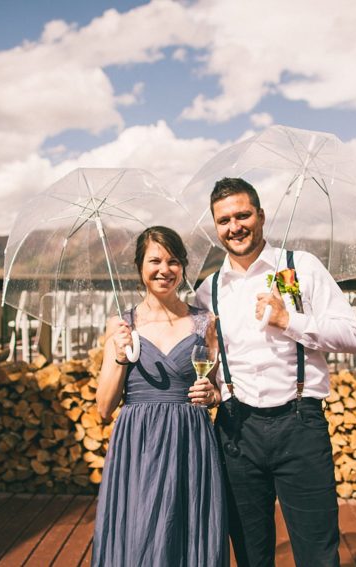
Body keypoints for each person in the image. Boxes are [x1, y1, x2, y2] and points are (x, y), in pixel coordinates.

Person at [194, 178, 356, 567]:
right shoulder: (209, 290)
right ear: (216, 227)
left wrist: (290, 320)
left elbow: (354, 337)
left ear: (261, 216)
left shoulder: (301, 267)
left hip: (300, 423)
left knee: (317, 554)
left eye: (242, 215)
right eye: (224, 220)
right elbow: (204, 358)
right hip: (237, 429)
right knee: (251, 555)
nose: (234, 227)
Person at [92, 226, 228, 567]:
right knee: (141, 533)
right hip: (139, 443)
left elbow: (213, 388)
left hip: (190, 442)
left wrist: (211, 394)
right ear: (141, 266)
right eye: (154, 260)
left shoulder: (204, 322)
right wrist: (121, 354)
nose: (164, 269)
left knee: (187, 529)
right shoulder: (122, 325)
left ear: (182, 267)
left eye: (173, 261)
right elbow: (104, 407)